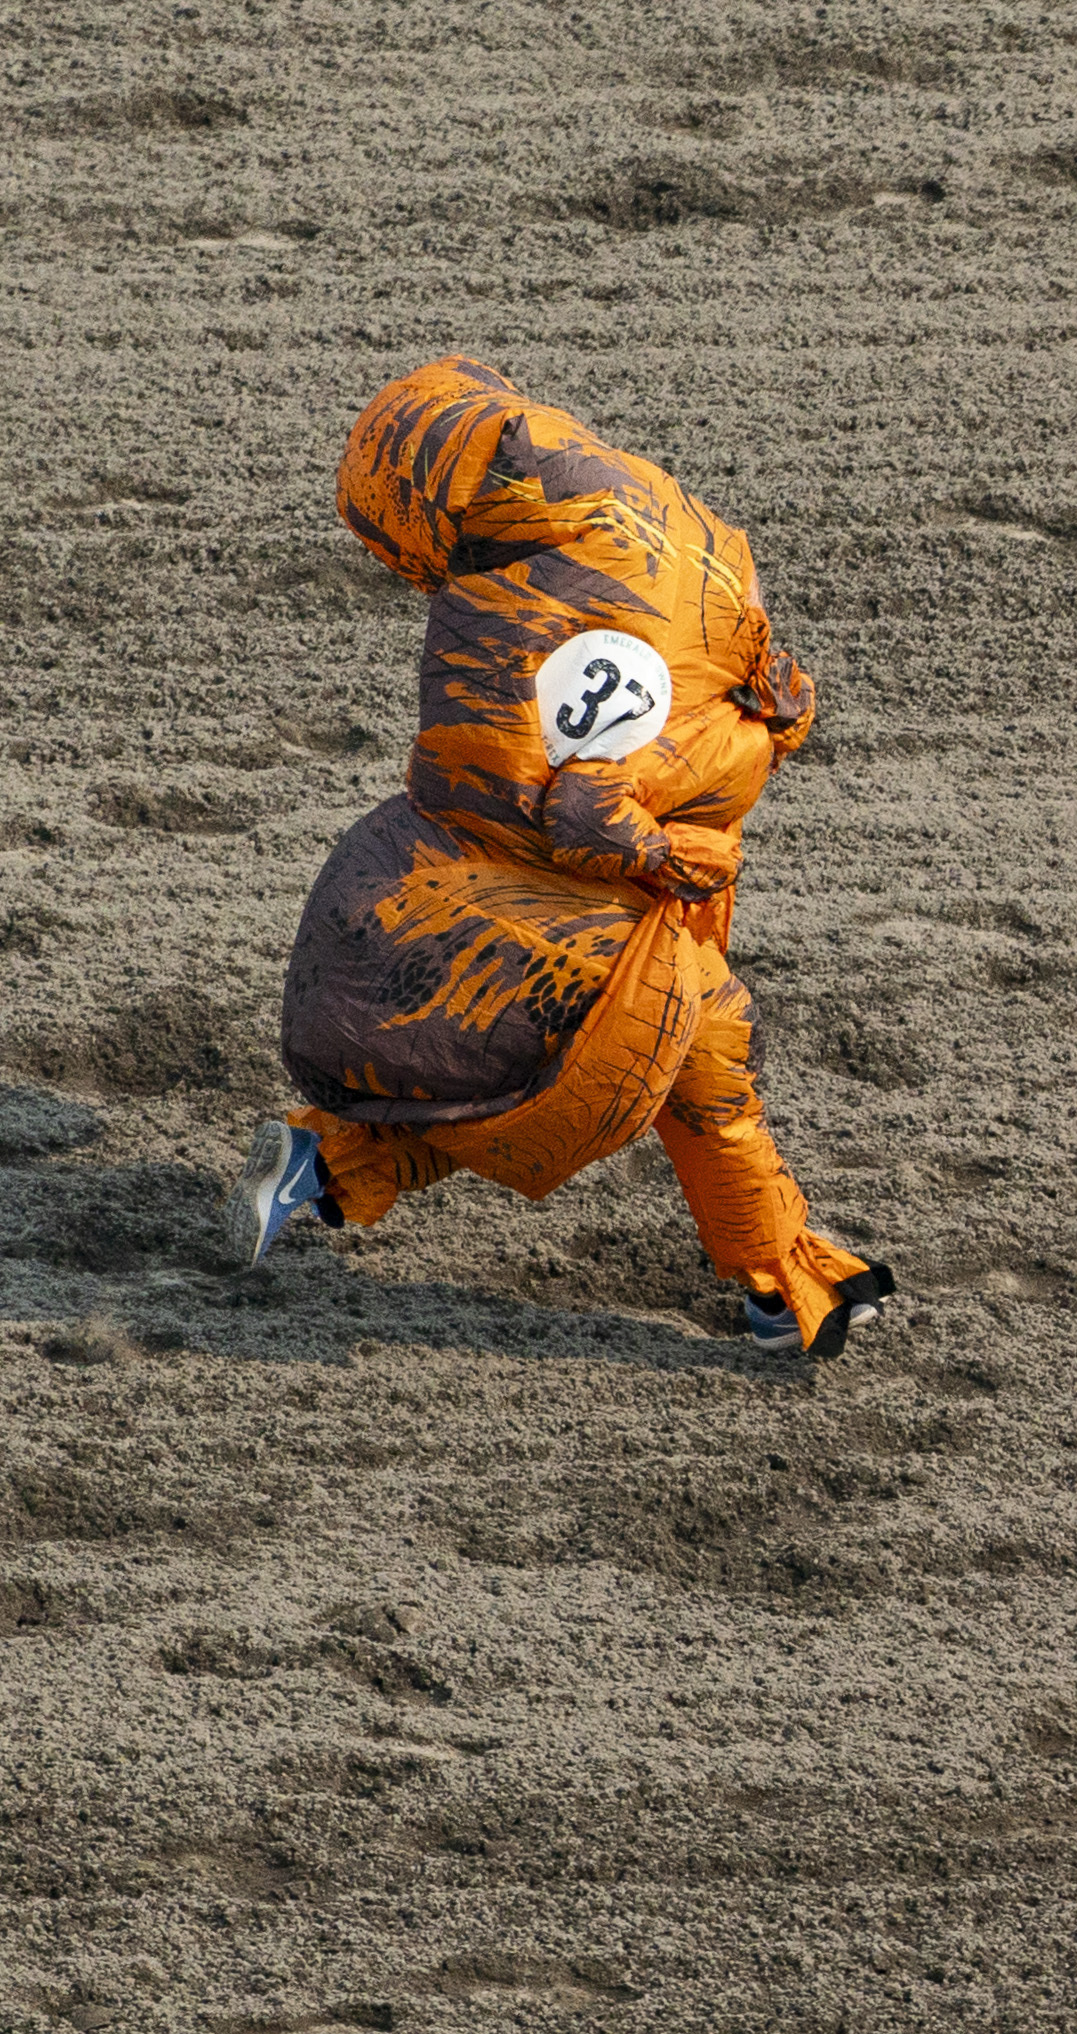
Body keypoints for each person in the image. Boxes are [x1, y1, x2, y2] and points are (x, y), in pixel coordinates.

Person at [232, 356, 892, 1355]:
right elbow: (710, 678)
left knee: (548, 1064)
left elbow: (557, 802)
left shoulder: (496, 614)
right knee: (645, 1052)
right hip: (517, 904)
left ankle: (321, 1166)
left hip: (449, 906)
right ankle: (780, 1281)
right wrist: (762, 735)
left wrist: (657, 845)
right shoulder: (649, 514)